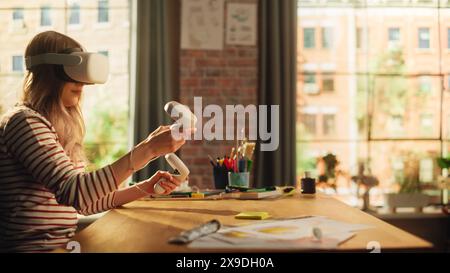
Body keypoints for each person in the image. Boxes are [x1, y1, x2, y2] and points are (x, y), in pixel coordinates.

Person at [0, 31, 187, 252]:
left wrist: (145, 188)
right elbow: (76, 193)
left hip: (62, 246)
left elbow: (88, 201)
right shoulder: (24, 122)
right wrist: (148, 149)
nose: (81, 82)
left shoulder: (54, 126)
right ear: (48, 72)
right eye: (73, 71)